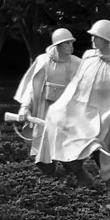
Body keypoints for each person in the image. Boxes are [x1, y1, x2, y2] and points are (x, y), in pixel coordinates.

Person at [36, 19, 110, 193]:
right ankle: (83, 177)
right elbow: (76, 86)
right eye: (92, 36)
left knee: (107, 155)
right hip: (83, 115)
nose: (93, 40)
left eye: (97, 37)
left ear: (107, 39)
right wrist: (59, 108)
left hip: (107, 119)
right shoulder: (88, 57)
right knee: (62, 137)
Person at [13, 28, 81, 162]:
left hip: (67, 112)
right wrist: (25, 107)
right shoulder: (43, 61)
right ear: (58, 44)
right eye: (66, 43)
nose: (70, 46)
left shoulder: (77, 63)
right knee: (43, 152)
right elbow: (32, 88)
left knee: (69, 153)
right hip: (45, 109)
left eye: (71, 43)